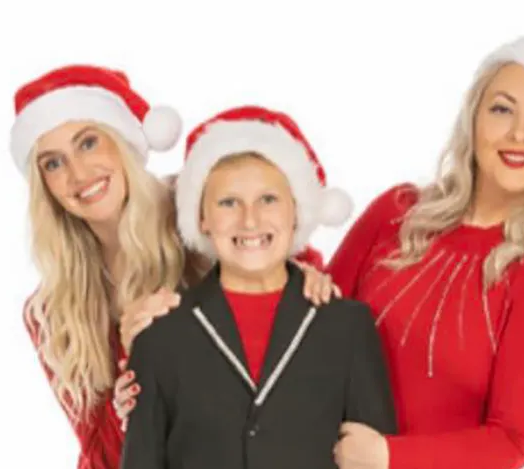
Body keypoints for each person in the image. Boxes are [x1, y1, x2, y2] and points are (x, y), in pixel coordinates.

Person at [10, 67, 336, 469]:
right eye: (53, 163)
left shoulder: (197, 209)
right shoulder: (50, 311)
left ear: (121, 140)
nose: (78, 174)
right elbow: (103, 458)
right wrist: (132, 371)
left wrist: (307, 281)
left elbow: (290, 263)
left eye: (89, 143)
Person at [327, 35, 524, 469]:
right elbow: (309, 326)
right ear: (473, 120)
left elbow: (511, 442)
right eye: (502, 109)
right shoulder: (396, 213)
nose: (519, 133)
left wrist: (387, 456)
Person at [120, 106, 398, 469]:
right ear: (202, 218)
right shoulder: (161, 335)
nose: (250, 220)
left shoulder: (348, 327)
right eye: (228, 202)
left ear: (296, 211)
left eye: (268, 199)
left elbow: (374, 457)